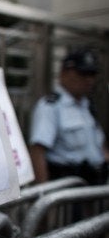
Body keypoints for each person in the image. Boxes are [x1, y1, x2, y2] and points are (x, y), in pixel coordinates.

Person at [29, 48, 108, 184]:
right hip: (68, 188)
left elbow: (99, 147)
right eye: (83, 73)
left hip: (95, 184)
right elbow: (38, 152)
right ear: (64, 73)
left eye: (92, 74)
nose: (89, 80)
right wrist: (45, 193)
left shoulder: (87, 105)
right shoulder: (51, 106)